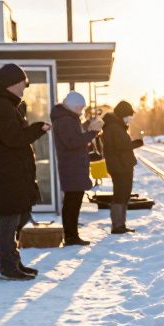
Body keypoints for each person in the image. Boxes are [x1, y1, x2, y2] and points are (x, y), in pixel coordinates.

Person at [0, 63, 50, 281]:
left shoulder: (6, 104)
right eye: (23, 83)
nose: (25, 88)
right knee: (9, 219)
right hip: (7, 173)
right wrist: (38, 129)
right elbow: (13, 138)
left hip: (14, 172)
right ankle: (8, 266)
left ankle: (13, 261)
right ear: (13, 83)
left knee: (21, 214)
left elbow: (14, 135)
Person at [51, 91, 103, 245]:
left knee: (73, 203)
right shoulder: (66, 120)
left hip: (73, 166)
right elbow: (72, 142)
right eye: (80, 108)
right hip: (71, 167)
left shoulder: (68, 119)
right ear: (73, 106)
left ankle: (72, 235)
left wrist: (88, 127)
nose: (81, 111)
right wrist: (92, 132)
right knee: (72, 204)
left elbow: (74, 137)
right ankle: (71, 236)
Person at [102, 100, 143, 234]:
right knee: (120, 194)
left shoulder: (115, 125)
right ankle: (117, 226)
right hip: (120, 166)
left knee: (123, 194)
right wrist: (136, 143)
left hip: (121, 165)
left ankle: (120, 224)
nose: (130, 118)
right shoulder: (114, 126)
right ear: (122, 114)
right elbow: (120, 146)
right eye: (129, 115)